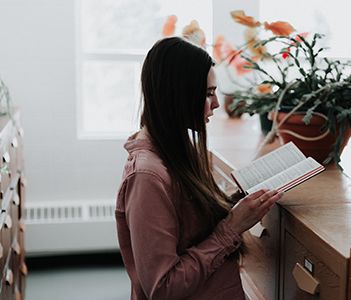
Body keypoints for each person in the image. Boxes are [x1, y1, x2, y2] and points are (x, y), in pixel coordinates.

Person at [115, 36, 283, 300]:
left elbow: (190, 231)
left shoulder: (176, 151)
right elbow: (162, 289)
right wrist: (231, 228)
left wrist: (234, 204)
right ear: (177, 94)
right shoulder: (148, 177)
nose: (216, 103)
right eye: (207, 94)